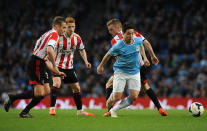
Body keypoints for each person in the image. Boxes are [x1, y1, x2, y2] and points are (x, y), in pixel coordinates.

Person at [4, 16, 67, 118]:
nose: (64, 30)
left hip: (40, 63)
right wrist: (55, 65)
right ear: (56, 26)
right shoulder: (54, 35)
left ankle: (24, 111)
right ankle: (13, 97)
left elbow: (46, 59)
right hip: (36, 63)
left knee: (46, 91)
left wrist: (57, 71)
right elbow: (50, 51)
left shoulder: (47, 34)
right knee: (39, 93)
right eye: (63, 28)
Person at [104, 19, 167, 116]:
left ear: (118, 28)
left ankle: (109, 110)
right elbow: (146, 43)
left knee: (109, 84)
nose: (109, 32)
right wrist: (150, 56)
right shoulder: (134, 33)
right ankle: (160, 108)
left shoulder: (115, 40)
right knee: (146, 87)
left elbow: (117, 57)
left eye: (111, 29)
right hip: (140, 66)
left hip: (128, 68)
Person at [49, 17, 93, 116]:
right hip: (57, 65)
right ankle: (52, 108)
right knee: (57, 83)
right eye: (69, 27)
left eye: (73, 27)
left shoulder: (77, 37)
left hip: (69, 67)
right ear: (65, 27)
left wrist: (86, 61)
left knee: (76, 88)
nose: (71, 29)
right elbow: (50, 49)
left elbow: (82, 49)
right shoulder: (58, 37)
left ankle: (80, 111)